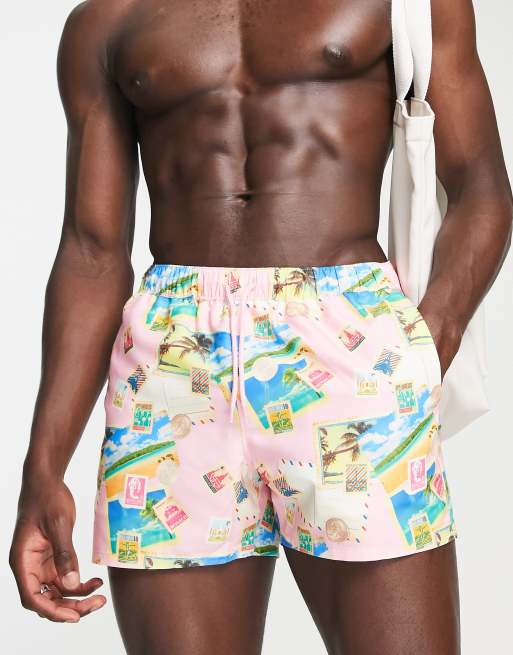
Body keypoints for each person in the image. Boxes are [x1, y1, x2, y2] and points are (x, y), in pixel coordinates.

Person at [10, 1, 512, 654]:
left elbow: (480, 186)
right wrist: (43, 467)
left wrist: (423, 348)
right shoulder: (107, 21)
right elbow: (91, 251)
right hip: (171, 365)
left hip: (348, 347)